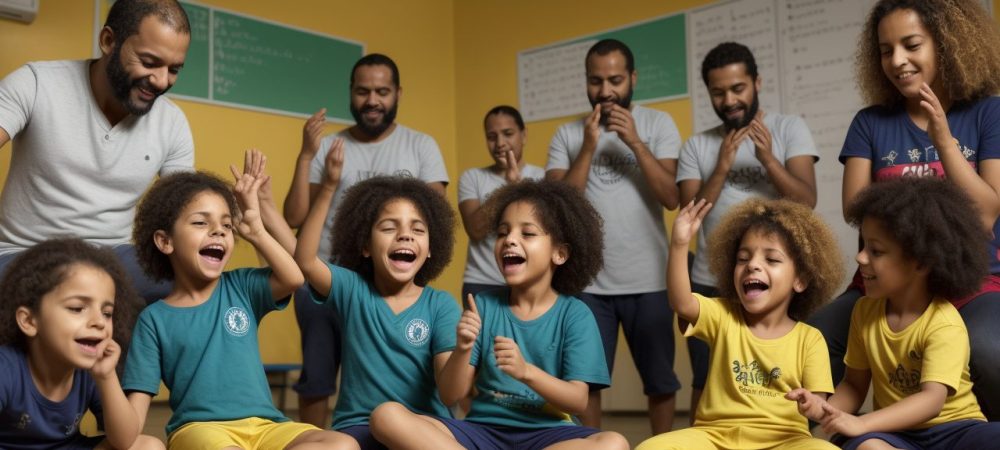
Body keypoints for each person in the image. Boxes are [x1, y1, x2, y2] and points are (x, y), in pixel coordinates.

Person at [805, 0, 1000, 420]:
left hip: (972, 280)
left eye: (911, 45)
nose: (897, 61)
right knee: (817, 337)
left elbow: (986, 214)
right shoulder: (869, 123)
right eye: (885, 50)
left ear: (947, 43)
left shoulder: (988, 113)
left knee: (990, 351)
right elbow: (855, 208)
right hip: (884, 282)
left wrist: (944, 141)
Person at [368, 179, 629, 450]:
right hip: (481, 432)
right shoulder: (483, 306)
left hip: (548, 435)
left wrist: (526, 371)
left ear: (560, 253)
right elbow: (449, 395)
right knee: (386, 416)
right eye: (503, 233)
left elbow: (577, 400)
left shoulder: (575, 314)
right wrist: (462, 347)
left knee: (613, 443)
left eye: (527, 234)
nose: (510, 241)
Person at [122, 159, 346, 449]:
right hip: (201, 430)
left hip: (268, 427)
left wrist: (256, 232)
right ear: (165, 241)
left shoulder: (240, 287)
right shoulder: (153, 319)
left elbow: (293, 278)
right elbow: (136, 409)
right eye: (201, 222)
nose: (219, 231)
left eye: (227, 225)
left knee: (342, 444)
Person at [282, 53, 450, 428]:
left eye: (382, 91)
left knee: (399, 376)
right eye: (362, 91)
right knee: (317, 378)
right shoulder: (329, 146)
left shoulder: (421, 146)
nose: (372, 100)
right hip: (328, 276)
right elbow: (295, 217)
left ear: (397, 94)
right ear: (350, 94)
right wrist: (307, 156)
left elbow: (434, 222)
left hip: (390, 283)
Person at [0, 0, 194, 303]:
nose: (160, 80)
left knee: (193, 284)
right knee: (75, 291)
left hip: (116, 257)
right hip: (24, 253)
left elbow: (183, 211)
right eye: (148, 61)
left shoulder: (172, 123)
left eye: (174, 69)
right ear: (108, 41)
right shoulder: (36, 84)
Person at [790, 178, 1000, 449]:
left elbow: (931, 402)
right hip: (897, 434)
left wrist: (862, 423)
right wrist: (827, 410)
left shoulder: (944, 323)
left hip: (954, 431)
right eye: (863, 246)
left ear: (921, 262)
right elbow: (854, 385)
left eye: (876, 251)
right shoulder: (864, 312)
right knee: (866, 446)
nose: (861, 258)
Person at [546, 37, 682, 432]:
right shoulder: (568, 134)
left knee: (659, 380)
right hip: (588, 283)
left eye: (616, 80)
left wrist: (635, 142)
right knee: (586, 381)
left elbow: (672, 196)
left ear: (633, 78)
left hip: (651, 279)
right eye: (596, 81)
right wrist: (588, 148)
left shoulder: (658, 124)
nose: (605, 92)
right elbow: (557, 205)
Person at [679, 41, 820, 418]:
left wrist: (768, 160)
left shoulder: (789, 128)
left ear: (756, 82)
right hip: (710, 279)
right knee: (704, 378)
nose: (729, 100)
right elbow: (689, 212)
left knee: (782, 380)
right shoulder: (697, 145)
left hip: (774, 278)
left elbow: (807, 200)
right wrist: (722, 167)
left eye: (737, 89)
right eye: (718, 92)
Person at [637, 198, 843, 450]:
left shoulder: (810, 339)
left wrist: (811, 404)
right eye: (743, 258)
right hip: (714, 437)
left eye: (772, 260)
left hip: (784, 441)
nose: (752, 265)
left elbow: (819, 406)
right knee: (650, 447)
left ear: (800, 279)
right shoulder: (723, 315)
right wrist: (680, 244)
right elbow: (682, 303)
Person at [293, 170, 460, 449]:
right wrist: (326, 190)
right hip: (357, 428)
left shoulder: (441, 305)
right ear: (366, 246)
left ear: (431, 248)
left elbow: (450, 392)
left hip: (422, 428)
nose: (405, 236)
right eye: (389, 227)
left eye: (417, 229)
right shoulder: (352, 289)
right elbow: (306, 261)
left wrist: (464, 348)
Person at [0, 238, 163, 450]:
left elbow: (124, 441)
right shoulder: (6, 368)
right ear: (29, 321)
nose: (98, 322)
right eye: (77, 308)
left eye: (107, 313)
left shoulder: (90, 371)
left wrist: (106, 376)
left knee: (148, 446)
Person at [459, 106, 545, 298]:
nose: (500, 143)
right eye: (491, 136)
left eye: (508, 134)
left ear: (523, 135)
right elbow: (475, 230)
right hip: (481, 282)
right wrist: (510, 185)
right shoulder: (472, 177)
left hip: (530, 280)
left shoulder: (543, 178)